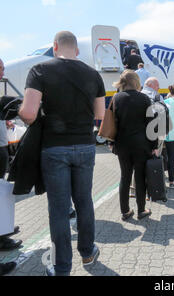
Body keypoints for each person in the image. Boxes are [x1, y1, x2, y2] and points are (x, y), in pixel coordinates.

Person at [18, 31, 106, 276]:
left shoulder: (40, 70)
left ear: (55, 46)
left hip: (54, 148)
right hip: (86, 146)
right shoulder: (93, 74)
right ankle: (88, 253)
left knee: (58, 209)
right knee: (84, 201)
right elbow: (100, 115)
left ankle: (61, 267)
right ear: (76, 50)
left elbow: (29, 114)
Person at [113, 70, 158, 221]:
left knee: (125, 177)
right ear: (136, 81)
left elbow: (112, 123)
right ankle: (141, 210)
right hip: (141, 145)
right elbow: (151, 124)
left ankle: (125, 211)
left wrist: (112, 142)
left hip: (122, 145)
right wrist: (155, 145)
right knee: (140, 177)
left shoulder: (116, 98)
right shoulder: (144, 99)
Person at [0, 59, 20, 276]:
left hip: (2, 147)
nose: (3, 73)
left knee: (1, 193)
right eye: (0, 69)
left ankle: (2, 234)